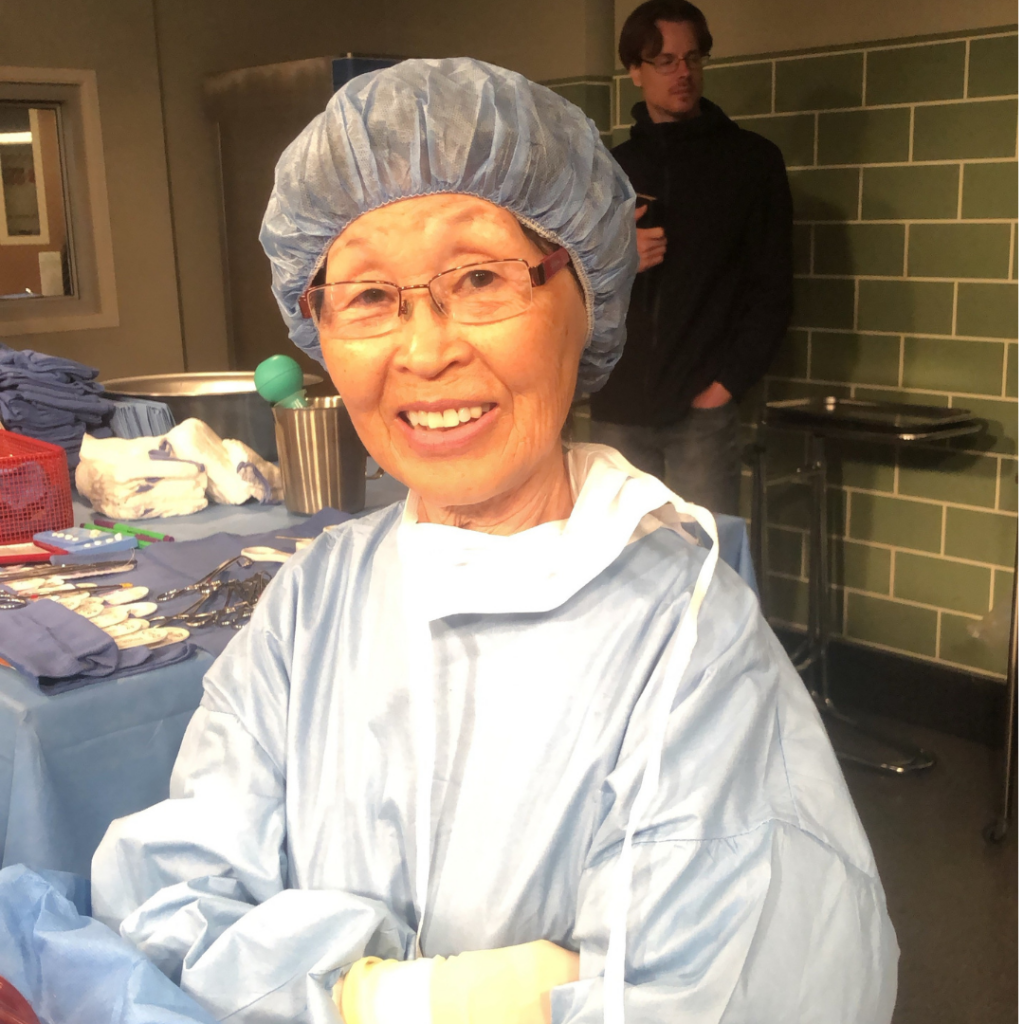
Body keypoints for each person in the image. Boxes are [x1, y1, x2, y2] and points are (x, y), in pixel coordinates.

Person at [91, 58, 896, 1023]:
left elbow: (713, 990)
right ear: (317, 330)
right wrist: (421, 995)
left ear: (586, 294)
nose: (426, 351)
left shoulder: (687, 645)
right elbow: (173, 900)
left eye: (479, 277)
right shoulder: (314, 602)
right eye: (368, 297)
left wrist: (306, 976)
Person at [589, 0, 793, 515]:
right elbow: (568, 283)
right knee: (621, 569)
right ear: (635, 70)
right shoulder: (611, 171)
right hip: (617, 409)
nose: (683, 73)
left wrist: (725, 385)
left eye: (693, 58)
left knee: (706, 564)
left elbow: (773, 287)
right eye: (665, 61)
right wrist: (619, 255)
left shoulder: (751, 162)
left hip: (700, 410)